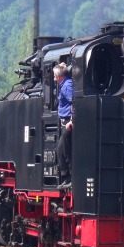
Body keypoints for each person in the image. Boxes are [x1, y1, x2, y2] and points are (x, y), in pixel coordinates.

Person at [54, 62, 73, 190]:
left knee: (63, 150)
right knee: (62, 149)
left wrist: (72, 120)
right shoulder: (66, 83)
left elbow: (75, 101)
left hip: (68, 122)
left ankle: (70, 177)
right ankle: (67, 178)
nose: (54, 79)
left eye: (55, 76)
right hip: (65, 121)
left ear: (58, 77)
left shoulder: (67, 86)